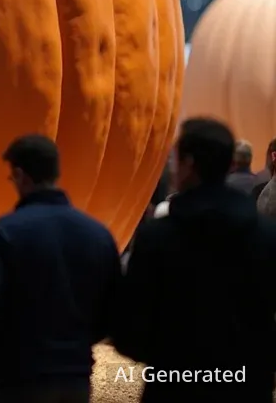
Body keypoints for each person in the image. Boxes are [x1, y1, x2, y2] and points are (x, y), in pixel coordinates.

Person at [113, 117, 276, 402]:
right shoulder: (266, 236)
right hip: (246, 387)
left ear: (187, 163)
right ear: (229, 164)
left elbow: (130, 331)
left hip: (175, 387)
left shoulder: (157, 238)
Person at [0, 134, 121, 403]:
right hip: (73, 376)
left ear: (20, 174)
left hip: (17, 377)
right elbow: (114, 306)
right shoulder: (96, 234)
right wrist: (78, 342)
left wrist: (3, 347)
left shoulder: (5, 232)